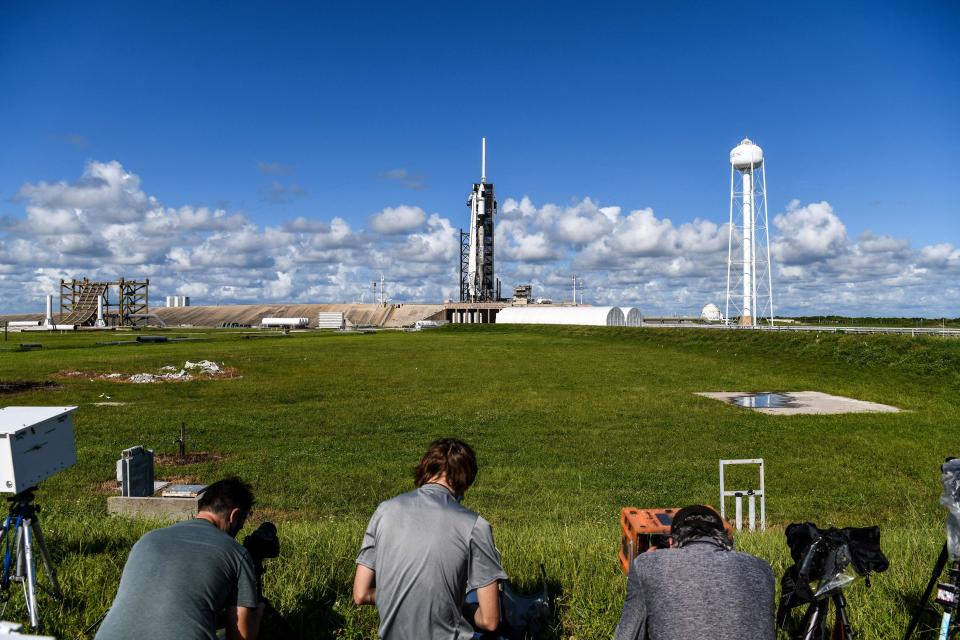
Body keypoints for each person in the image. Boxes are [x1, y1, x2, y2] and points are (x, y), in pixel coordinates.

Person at [353, 437, 508, 640]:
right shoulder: (475, 526)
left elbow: (361, 594)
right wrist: (461, 609)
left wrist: (402, 598)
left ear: (426, 469)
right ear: (466, 481)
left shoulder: (384, 511)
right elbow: (489, 620)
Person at [96, 477, 265, 640]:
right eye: (241, 523)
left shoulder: (147, 539)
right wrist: (258, 613)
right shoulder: (236, 553)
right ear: (234, 516)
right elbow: (242, 635)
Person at [615, 504, 775, 640]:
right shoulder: (763, 569)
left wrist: (644, 565)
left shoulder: (647, 564)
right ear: (726, 540)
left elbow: (627, 635)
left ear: (671, 542)